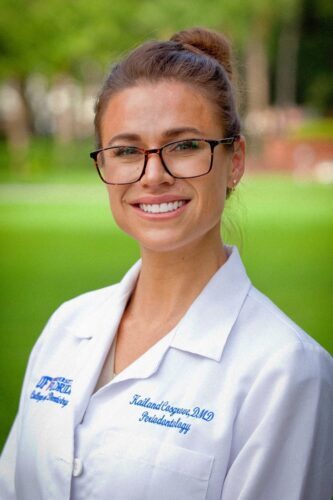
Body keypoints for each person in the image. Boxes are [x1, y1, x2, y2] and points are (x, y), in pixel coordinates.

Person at [0, 26, 332, 500]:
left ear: (234, 160)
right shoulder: (66, 325)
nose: (153, 175)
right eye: (127, 151)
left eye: (184, 146)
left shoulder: (286, 373)